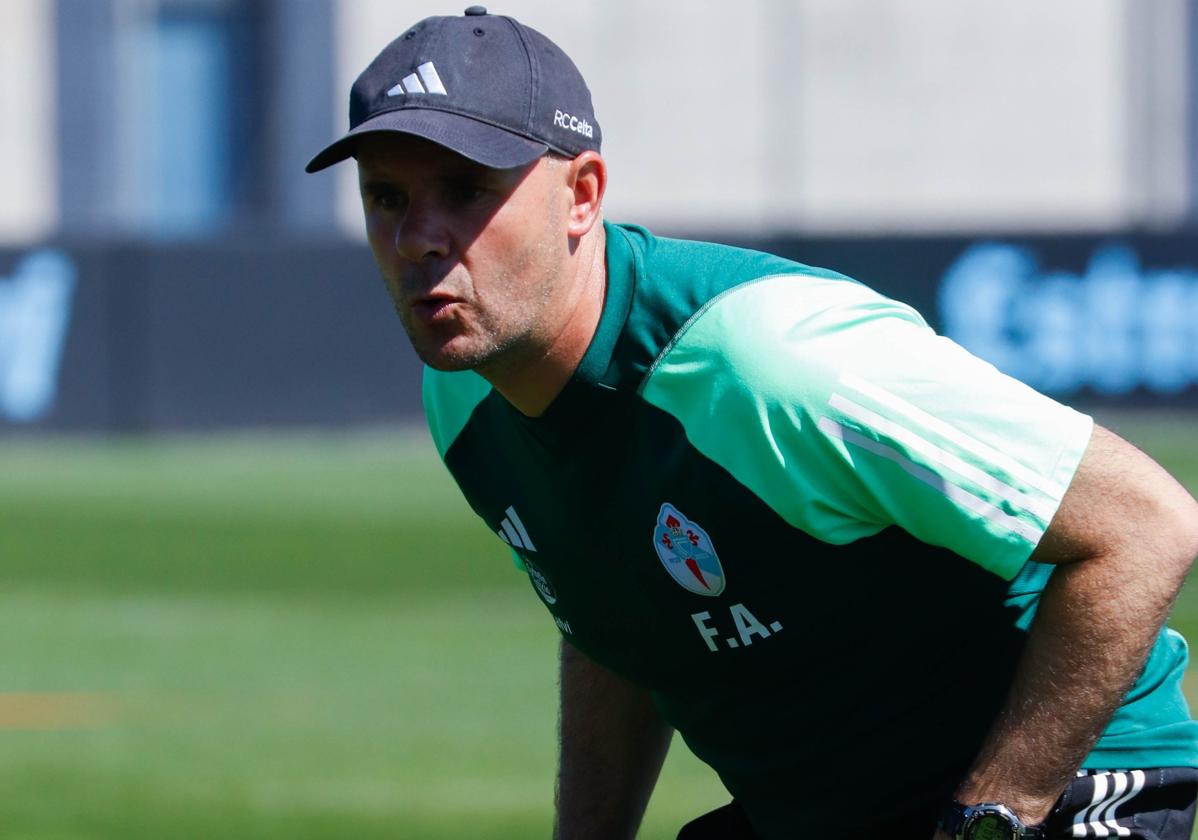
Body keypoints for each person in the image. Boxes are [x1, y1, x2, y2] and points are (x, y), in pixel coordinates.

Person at [306, 8, 1198, 838]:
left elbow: (1147, 527)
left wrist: (989, 819)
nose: (420, 238)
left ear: (582, 196)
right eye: (386, 197)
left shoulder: (768, 361)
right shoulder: (465, 394)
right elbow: (609, 618)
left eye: (465, 189)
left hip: (1064, 779)